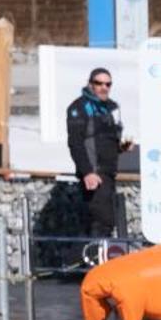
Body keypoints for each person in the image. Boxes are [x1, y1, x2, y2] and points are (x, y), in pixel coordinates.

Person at [67, 68, 130, 239]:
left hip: (109, 173)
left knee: (101, 222)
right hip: (95, 173)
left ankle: (82, 261)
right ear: (90, 84)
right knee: (103, 221)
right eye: (99, 83)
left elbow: (109, 140)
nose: (104, 87)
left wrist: (122, 146)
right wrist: (88, 172)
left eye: (108, 84)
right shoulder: (79, 107)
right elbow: (76, 143)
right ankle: (92, 261)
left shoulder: (112, 107)